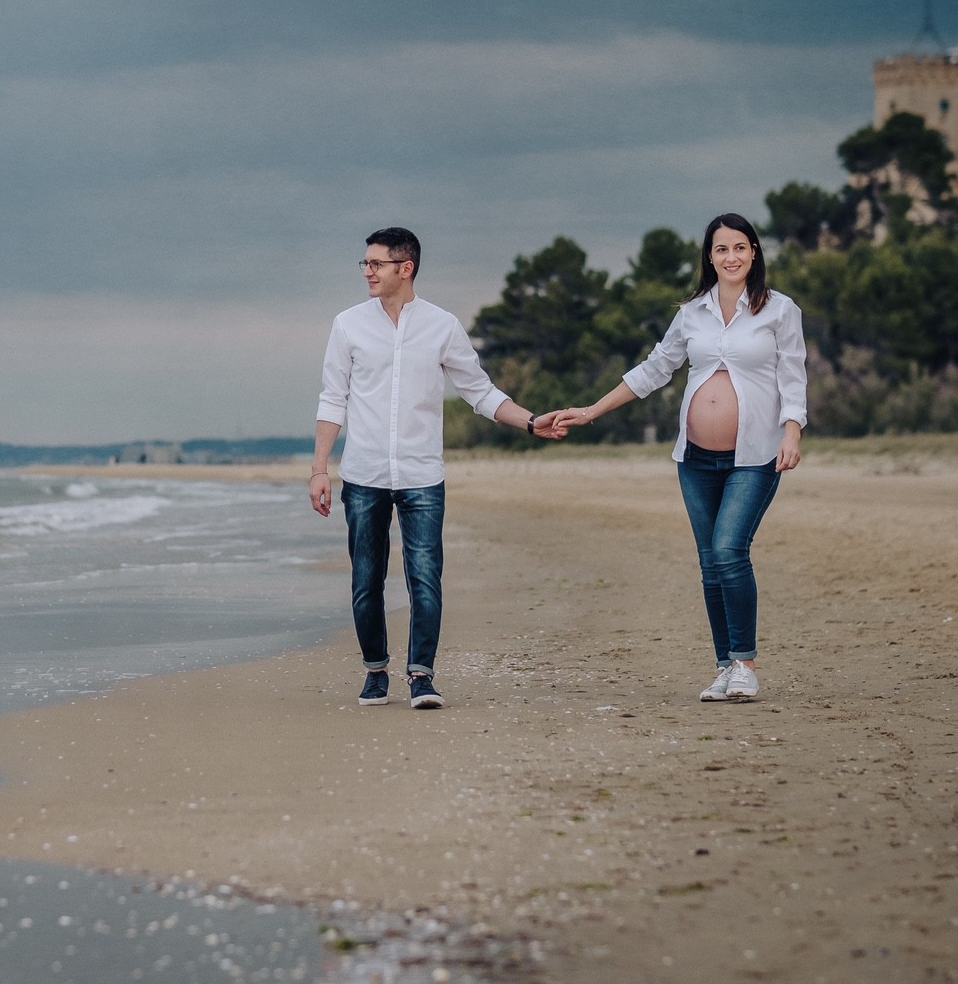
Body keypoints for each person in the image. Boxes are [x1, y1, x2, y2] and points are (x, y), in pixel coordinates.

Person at [548, 213, 806, 703]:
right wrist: (590, 411)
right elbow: (654, 369)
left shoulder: (779, 310)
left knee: (730, 550)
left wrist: (792, 431)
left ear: (754, 252)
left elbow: (793, 377)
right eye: (721, 249)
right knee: (710, 563)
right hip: (695, 458)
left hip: (755, 454)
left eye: (740, 247)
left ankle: (745, 664)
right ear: (709, 257)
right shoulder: (693, 313)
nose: (731, 257)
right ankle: (723, 666)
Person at [311, 227, 563, 710]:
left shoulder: (442, 326)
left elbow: (480, 392)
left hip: (422, 475)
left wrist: (532, 423)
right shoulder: (347, 325)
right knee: (366, 580)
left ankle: (422, 676)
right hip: (363, 475)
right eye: (364, 263)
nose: (367, 271)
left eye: (376, 264)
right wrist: (320, 468)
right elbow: (332, 398)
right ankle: (375, 671)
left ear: (405, 268)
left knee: (425, 577)